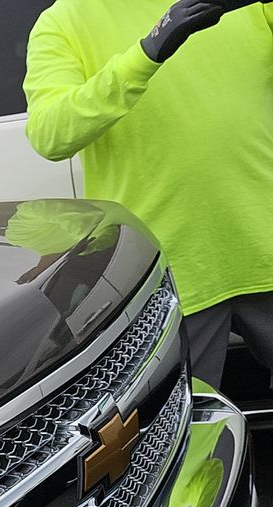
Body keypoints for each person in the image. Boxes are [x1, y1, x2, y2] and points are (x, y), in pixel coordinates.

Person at [23, 0, 273, 391]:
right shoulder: (64, 20)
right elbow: (50, 134)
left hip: (263, 246)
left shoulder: (246, 6)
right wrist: (147, 52)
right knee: (185, 433)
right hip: (170, 269)